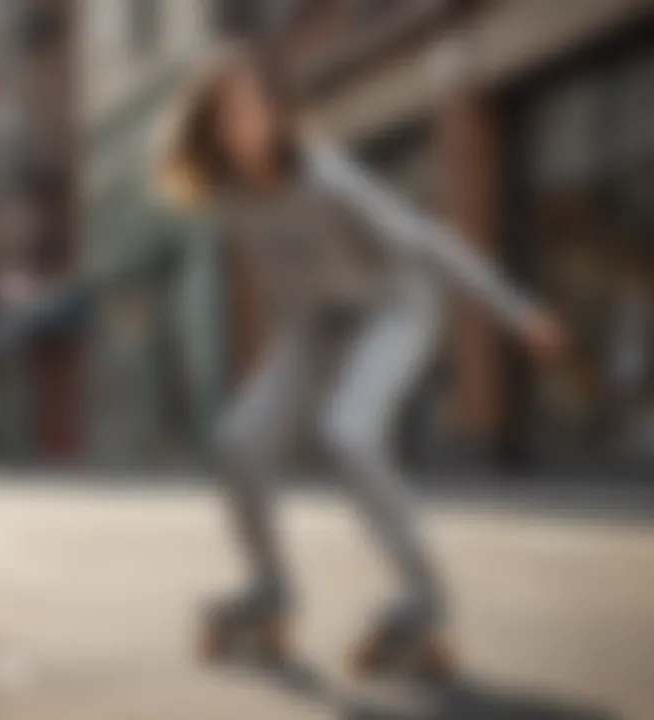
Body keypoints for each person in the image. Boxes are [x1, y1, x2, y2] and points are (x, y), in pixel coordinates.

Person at [160, 44, 565, 675]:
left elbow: (433, 240)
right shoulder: (230, 194)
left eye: (248, 110)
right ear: (207, 131)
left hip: (395, 310)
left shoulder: (324, 176)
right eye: (222, 117)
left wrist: (517, 311)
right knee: (238, 441)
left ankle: (425, 598)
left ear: (273, 114)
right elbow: (292, 280)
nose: (238, 128)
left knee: (347, 435)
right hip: (313, 327)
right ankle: (272, 591)